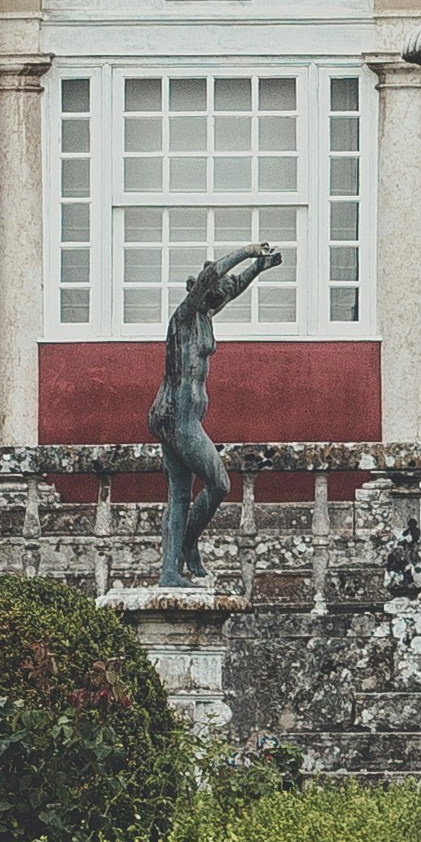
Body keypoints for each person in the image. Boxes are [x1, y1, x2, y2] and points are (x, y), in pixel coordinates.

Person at [151, 241, 278, 585]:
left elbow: (230, 288)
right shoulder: (186, 314)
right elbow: (213, 276)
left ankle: (169, 571)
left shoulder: (205, 316)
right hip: (179, 416)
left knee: (180, 494)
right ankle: (188, 545)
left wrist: (258, 270)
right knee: (219, 484)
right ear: (202, 291)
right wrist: (249, 251)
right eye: (216, 292)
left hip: (173, 415)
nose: (222, 297)